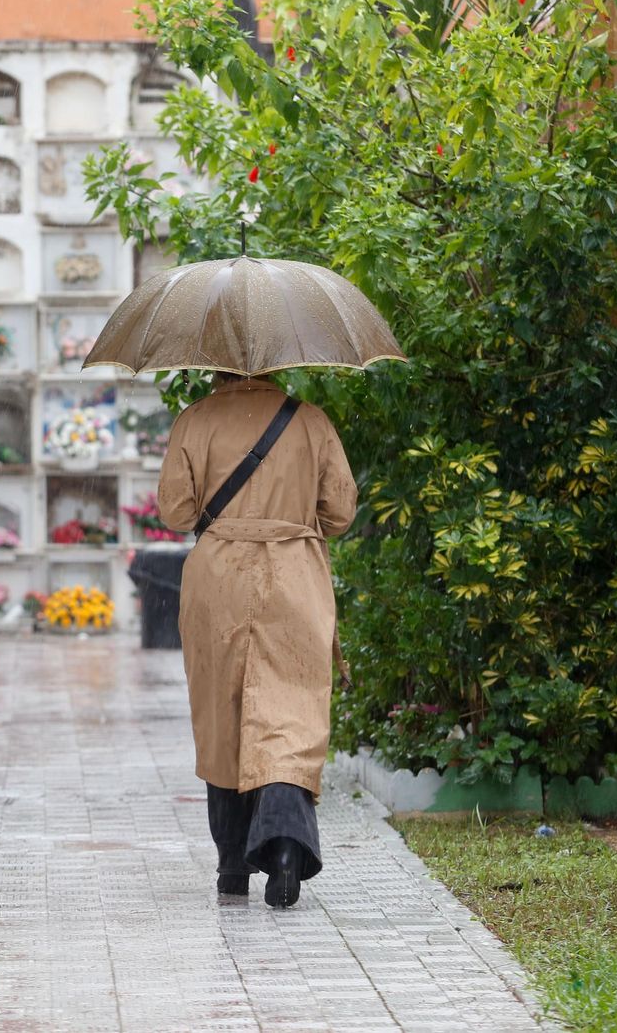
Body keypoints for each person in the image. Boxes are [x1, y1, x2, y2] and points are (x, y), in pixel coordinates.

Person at [156, 374, 356, 908]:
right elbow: (340, 513)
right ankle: (285, 851)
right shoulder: (310, 420)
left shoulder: (195, 420)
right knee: (290, 715)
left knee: (223, 718)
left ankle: (232, 865)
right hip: (294, 575)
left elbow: (175, 511)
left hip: (218, 575)